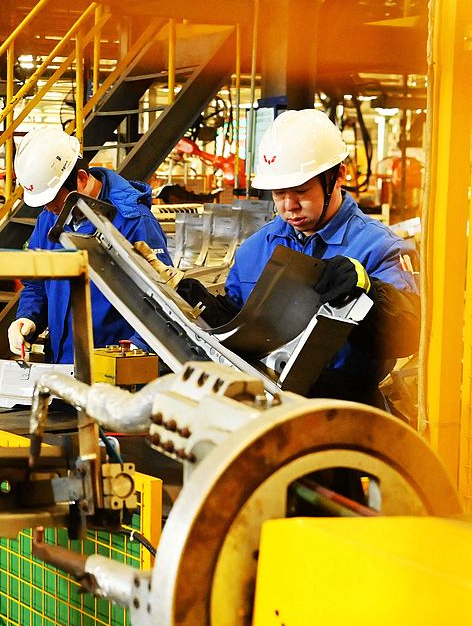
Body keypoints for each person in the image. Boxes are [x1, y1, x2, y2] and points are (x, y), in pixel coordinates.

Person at [150, 109, 419, 407]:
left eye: (301, 191)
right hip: (262, 405)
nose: (289, 206)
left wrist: (369, 292)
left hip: (348, 408)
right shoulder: (255, 249)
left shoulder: (379, 247)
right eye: (279, 194)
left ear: (338, 176)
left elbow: (409, 335)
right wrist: (214, 313)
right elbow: (240, 332)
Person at [7, 126, 171, 364]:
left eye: (53, 200)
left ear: (81, 180)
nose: (48, 208)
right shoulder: (49, 219)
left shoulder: (133, 221)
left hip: (114, 376)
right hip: (63, 365)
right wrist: (27, 318)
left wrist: (133, 355)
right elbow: (36, 284)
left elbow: (161, 303)